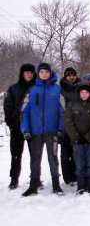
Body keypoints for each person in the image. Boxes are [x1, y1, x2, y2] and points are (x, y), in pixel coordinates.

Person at [21, 63, 65, 196]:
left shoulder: (57, 90)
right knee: (35, 159)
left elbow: (62, 112)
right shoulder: (32, 90)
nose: (44, 74)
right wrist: (25, 129)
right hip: (35, 132)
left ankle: (56, 185)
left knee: (53, 158)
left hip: (52, 132)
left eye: (46, 72)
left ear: (50, 73)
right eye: (41, 72)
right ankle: (33, 185)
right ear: (38, 74)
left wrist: (60, 129)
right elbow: (25, 112)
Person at [64, 83, 90, 195]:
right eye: (82, 92)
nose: (84, 94)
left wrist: (89, 137)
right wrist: (76, 137)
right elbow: (68, 122)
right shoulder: (72, 105)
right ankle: (81, 186)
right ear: (79, 93)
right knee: (79, 165)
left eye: (86, 92)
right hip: (77, 141)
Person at [3, 63, 36, 189]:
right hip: (17, 126)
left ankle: (35, 178)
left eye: (31, 72)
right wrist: (10, 122)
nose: (28, 74)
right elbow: (7, 106)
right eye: (26, 72)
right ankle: (14, 179)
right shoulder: (14, 88)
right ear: (22, 74)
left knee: (35, 154)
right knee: (16, 154)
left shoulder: (37, 88)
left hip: (33, 127)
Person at [59, 67, 80, 185]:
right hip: (64, 123)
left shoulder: (81, 87)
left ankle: (77, 174)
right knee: (65, 153)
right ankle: (68, 177)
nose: (71, 77)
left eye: (73, 74)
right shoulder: (60, 89)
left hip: (78, 124)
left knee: (77, 151)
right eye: (69, 75)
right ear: (65, 76)